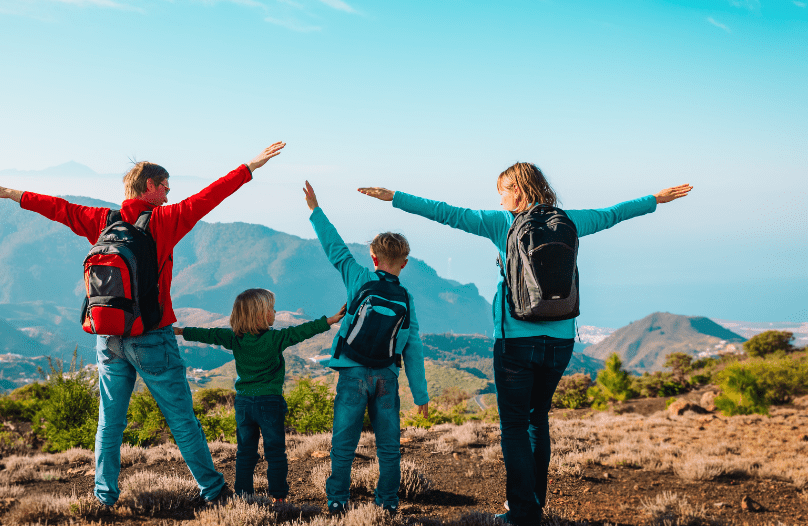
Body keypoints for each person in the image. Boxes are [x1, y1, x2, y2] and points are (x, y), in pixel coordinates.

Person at [358, 163, 692, 526]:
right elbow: (612, 214)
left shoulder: (503, 224)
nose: (499, 197)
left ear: (517, 190)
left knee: (514, 426)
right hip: (561, 341)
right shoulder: (569, 221)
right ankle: (534, 507)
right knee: (537, 421)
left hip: (516, 342)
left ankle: (522, 514)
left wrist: (394, 198)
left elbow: (447, 214)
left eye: (502, 190)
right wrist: (654, 199)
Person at [0, 142, 286, 508]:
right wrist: (250, 166)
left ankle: (104, 497)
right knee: (182, 420)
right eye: (166, 186)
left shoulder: (102, 221)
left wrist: (13, 194)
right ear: (150, 185)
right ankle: (214, 491)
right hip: (152, 337)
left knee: (110, 423)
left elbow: (59, 209)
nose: (170, 194)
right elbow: (210, 196)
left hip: (107, 337)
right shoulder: (164, 221)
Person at [303, 180, 430, 515]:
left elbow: (336, 249)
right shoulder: (406, 298)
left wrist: (315, 209)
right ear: (404, 263)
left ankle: (337, 500)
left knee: (343, 443)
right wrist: (421, 396)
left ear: (373, 257)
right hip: (387, 376)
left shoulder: (359, 278)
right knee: (388, 447)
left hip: (352, 371)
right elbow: (412, 349)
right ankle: (387, 502)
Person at [174, 288, 346, 501]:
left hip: (244, 405)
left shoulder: (234, 338)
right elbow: (302, 331)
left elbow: (208, 335)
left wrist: (181, 331)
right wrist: (329, 320)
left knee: (245, 454)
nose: (275, 312)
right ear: (259, 316)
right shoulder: (275, 339)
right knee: (275, 453)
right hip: (270, 404)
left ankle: (244, 496)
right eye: (272, 309)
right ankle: (278, 497)